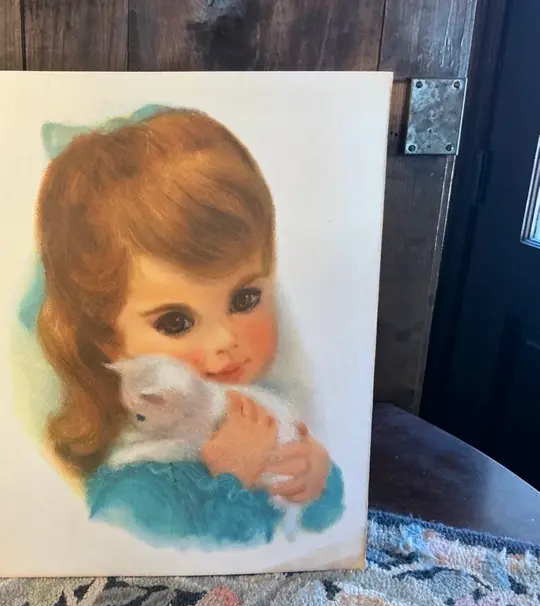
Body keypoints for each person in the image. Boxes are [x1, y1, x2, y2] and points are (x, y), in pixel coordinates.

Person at [29, 106, 344, 548]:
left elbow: (321, 530)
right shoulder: (136, 483)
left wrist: (319, 481)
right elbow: (181, 560)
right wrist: (232, 478)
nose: (226, 341)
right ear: (107, 339)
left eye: (244, 299)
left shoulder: (269, 406)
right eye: (176, 322)